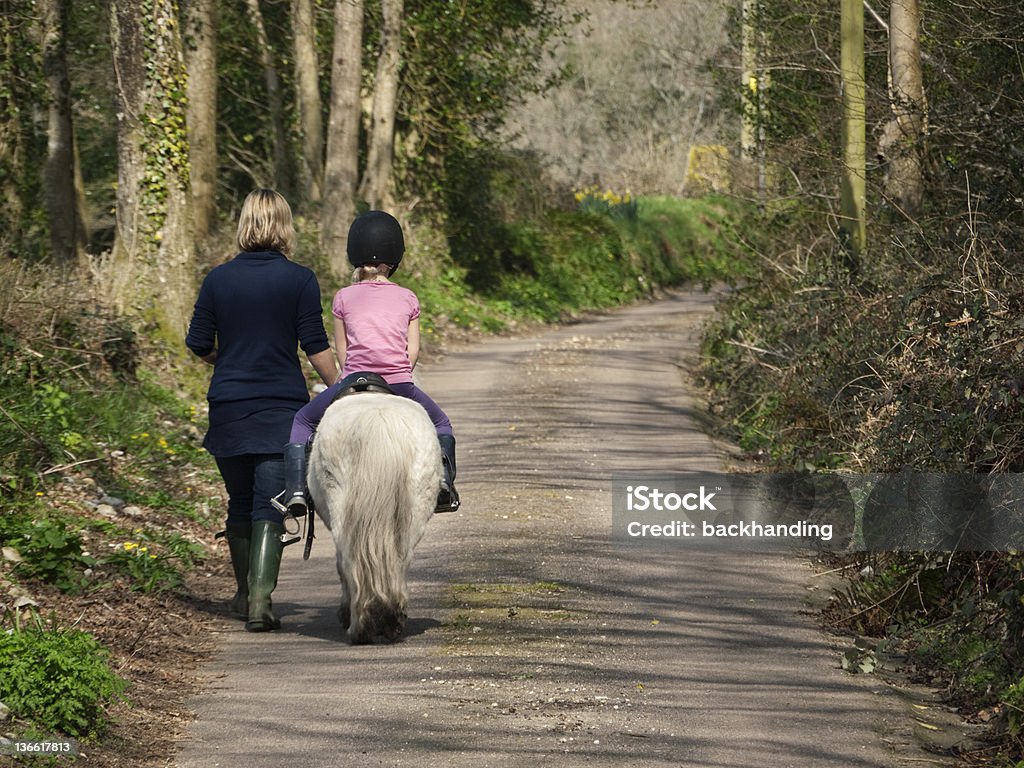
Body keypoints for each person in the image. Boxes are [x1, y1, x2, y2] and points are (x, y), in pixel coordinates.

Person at [185, 188, 337, 632]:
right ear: (284, 226)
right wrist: (343, 387)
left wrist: (227, 360)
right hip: (279, 409)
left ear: (244, 224)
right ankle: (260, 603)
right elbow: (314, 346)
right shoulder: (300, 280)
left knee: (239, 503)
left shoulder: (217, 279)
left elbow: (197, 343)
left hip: (228, 406)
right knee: (269, 506)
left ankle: (242, 593)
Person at [281, 210, 459, 517]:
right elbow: (412, 352)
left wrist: (346, 378)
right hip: (399, 384)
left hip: (353, 381)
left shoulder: (343, 297)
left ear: (355, 254)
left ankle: (296, 491)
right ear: (394, 258)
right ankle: (444, 484)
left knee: (302, 421)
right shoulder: (408, 298)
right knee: (442, 423)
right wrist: (398, 373)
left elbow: (342, 350)